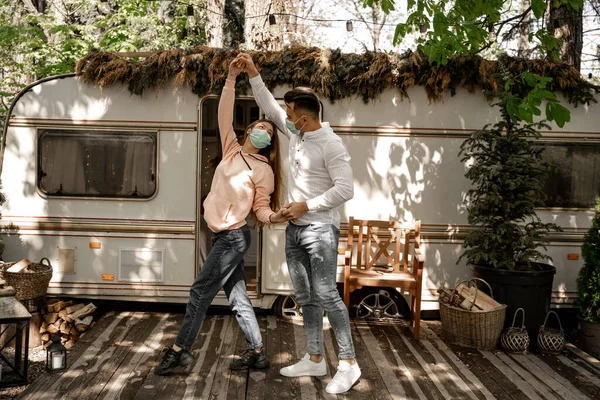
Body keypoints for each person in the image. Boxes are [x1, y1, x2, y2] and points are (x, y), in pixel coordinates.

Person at [237, 53, 361, 394]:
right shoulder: (299, 135)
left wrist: (307, 205)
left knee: (326, 294)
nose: (285, 118)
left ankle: (348, 363)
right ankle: (316, 357)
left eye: (290, 114)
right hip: (295, 230)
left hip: (321, 230)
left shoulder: (331, 145)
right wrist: (253, 73)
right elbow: (270, 107)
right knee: (306, 296)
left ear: (304, 118)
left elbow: (345, 189)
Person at [154, 58, 286, 376]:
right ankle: (256, 352)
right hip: (222, 235)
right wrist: (230, 77)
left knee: (200, 290)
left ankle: (180, 350)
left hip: (233, 236)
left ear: (269, 144)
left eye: (269, 133)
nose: (264, 134)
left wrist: (273, 217)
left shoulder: (264, 169)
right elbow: (223, 114)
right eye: (260, 129)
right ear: (249, 131)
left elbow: (261, 207)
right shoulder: (231, 150)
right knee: (239, 297)